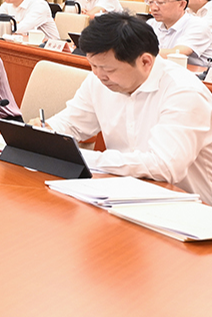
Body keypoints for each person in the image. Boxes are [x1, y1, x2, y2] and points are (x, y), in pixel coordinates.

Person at [49, 13, 212, 203]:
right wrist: (44, 132)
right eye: (93, 65)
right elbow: (72, 123)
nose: (99, 75)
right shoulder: (98, 80)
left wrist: (85, 158)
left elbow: (164, 166)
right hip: (123, 194)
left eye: (109, 69)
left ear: (145, 62)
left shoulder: (183, 91)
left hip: (190, 206)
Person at [144, 0, 212, 73]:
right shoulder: (151, 23)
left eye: (161, 2)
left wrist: (138, 53)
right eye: (151, 2)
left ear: (181, 4)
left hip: (194, 77)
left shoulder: (198, 25)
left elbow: (177, 54)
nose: (154, 8)